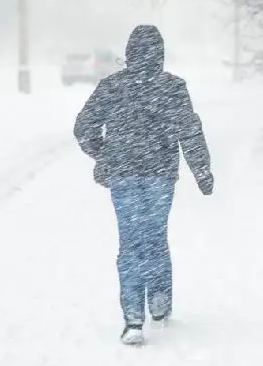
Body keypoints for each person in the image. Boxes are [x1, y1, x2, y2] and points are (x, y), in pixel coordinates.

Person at [73, 25, 214, 346]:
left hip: (124, 174)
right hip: (160, 174)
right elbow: (189, 131)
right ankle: (160, 300)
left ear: (129, 53)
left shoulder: (113, 86)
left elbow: (83, 127)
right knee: (154, 237)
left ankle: (133, 318)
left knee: (130, 242)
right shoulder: (173, 88)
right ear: (160, 53)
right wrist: (201, 170)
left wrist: (105, 154)